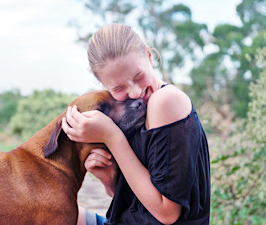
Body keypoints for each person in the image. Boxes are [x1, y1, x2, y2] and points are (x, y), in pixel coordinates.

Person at [62, 23, 210, 225]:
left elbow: (167, 213)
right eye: (118, 88)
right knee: (49, 211)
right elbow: (136, 202)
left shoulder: (166, 100)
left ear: (149, 56)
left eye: (139, 76)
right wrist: (110, 179)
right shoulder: (134, 111)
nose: (135, 93)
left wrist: (111, 137)